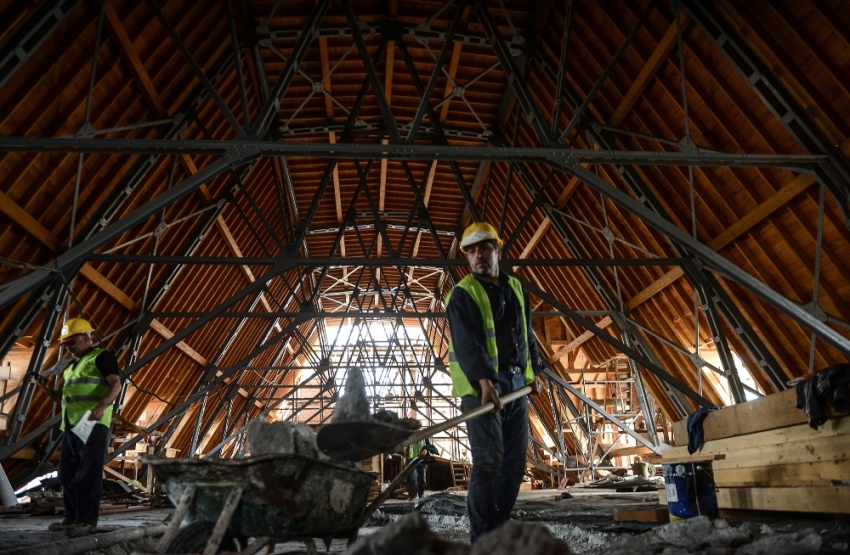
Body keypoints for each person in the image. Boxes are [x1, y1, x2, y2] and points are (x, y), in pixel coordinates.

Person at [445, 222, 546, 543]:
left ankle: (496, 533)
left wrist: (536, 372)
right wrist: (485, 382)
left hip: (517, 383)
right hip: (482, 388)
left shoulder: (516, 287)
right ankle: (481, 541)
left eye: (484, 248)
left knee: (515, 466)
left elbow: (526, 333)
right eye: (471, 251)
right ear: (467, 258)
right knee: (488, 463)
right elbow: (467, 342)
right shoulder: (462, 294)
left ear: (498, 250)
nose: (478, 256)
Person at [36, 318, 122, 538]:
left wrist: (103, 406)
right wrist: (48, 390)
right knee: (67, 475)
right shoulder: (71, 367)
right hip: (72, 427)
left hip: (93, 424)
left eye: (72, 342)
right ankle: (72, 519)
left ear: (86, 337)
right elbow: (65, 398)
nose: (68, 347)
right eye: (65, 345)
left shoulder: (101, 357)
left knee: (87, 474)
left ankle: (86, 521)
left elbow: (115, 383)